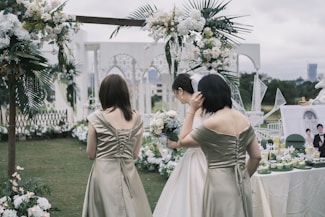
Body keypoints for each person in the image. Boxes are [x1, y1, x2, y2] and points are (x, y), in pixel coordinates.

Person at [178, 73, 261, 217]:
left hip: (218, 185)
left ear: (204, 96)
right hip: (242, 183)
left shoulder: (212, 123)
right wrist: (245, 176)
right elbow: (256, 156)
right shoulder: (243, 119)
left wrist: (191, 110)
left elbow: (183, 140)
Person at [82, 74, 152, 217]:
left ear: (104, 94)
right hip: (129, 173)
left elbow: (90, 154)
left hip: (103, 174)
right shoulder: (137, 119)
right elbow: (134, 154)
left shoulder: (96, 118)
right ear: (125, 93)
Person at [153, 73, 207, 217]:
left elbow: (196, 138)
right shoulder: (198, 109)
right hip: (197, 157)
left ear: (181, 91)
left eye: (176, 93)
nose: (176, 97)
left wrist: (176, 144)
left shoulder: (197, 111)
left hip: (198, 159)